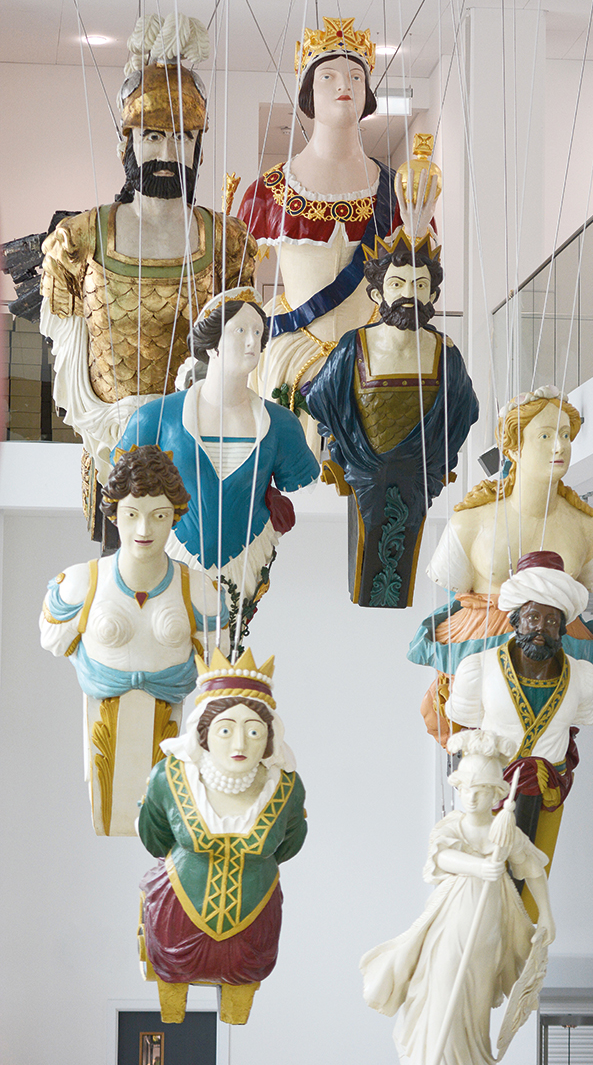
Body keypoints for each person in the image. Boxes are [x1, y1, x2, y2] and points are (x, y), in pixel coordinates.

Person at [40, 12, 256, 539]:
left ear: (199, 146)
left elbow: (243, 351)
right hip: (107, 445)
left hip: (199, 446)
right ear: (128, 143)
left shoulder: (228, 244)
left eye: (182, 138)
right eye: (152, 135)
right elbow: (66, 358)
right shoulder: (78, 242)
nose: (165, 153)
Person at [238, 17, 436, 454]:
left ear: (368, 92)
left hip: (378, 348)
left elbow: (422, 286)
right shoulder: (268, 191)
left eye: (355, 75)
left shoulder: (395, 191)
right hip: (295, 351)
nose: (343, 84)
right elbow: (240, 291)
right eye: (328, 75)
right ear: (309, 91)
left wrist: (417, 233)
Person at [408, 387, 593, 740]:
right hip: (479, 637)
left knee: (549, 740)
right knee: (472, 738)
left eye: (566, 435)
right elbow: (451, 579)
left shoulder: (589, 528)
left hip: (555, 643)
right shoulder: (470, 523)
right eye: (545, 435)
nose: (560, 446)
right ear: (513, 447)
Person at [39, 446, 227, 834]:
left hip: (169, 723)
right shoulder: (79, 584)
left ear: (174, 517)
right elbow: (54, 640)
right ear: (114, 513)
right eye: (132, 515)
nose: (144, 530)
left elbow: (217, 663)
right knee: (109, 809)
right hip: (102, 718)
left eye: (158, 516)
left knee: (157, 817)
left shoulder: (200, 592)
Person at [116, 287, 320, 630]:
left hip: (248, 552)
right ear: (212, 342)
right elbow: (121, 490)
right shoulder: (156, 419)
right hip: (172, 548)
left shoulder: (281, 425)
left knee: (228, 642)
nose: (252, 342)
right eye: (240, 331)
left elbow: (300, 480)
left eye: (258, 332)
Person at [361, 730, 554, 1065]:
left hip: (488, 929)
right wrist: (479, 867)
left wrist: (547, 915)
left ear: (496, 794)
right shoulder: (452, 826)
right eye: (466, 789)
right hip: (451, 924)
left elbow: (533, 868)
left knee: (477, 1000)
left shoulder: (504, 830)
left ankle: (471, 1059)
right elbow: (440, 858)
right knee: (443, 988)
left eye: (480, 790)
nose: (472, 798)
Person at [307, 230, 478, 607]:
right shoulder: (355, 345)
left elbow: (466, 410)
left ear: (432, 295)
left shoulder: (446, 352)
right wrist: (338, 444)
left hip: (418, 470)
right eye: (397, 283)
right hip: (363, 467)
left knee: (404, 542)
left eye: (420, 285)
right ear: (377, 294)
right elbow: (319, 398)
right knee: (371, 552)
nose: (408, 294)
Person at [138, 648, 307, 1025]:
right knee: (170, 988)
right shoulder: (170, 777)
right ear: (204, 733)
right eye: (226, 729)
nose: (239, 744)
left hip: (255, 916)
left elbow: (291, 841)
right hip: (178, 912)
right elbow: (154, 836)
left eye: (253, 731)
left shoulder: (286, 787)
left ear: (268, 737)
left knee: (243, 988)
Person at [446, 552, 593, 898]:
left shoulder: (583, 678)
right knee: (483, 883)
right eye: (532, 617)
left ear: (561, 627)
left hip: (548, 793)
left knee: (533, 879)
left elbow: (581, 721)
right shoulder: (478, 669)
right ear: (516, 620)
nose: (541, 629)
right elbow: (465, 727)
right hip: (489, 793)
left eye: (551, 620)